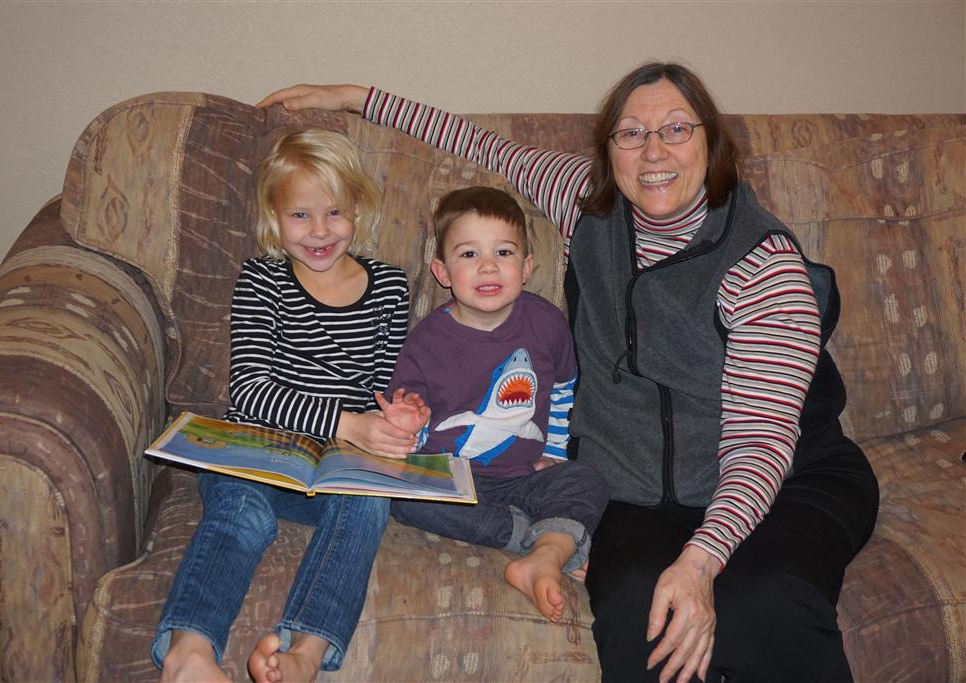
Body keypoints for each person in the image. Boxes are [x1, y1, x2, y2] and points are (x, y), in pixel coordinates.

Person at [258, 61, 879, 683]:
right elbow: (481, 144)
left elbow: (760, 443)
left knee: (766, 605)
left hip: (785, 482)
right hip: (635, 493)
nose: (653, 151)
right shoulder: (588, 205)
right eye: (631, 133)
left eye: (676, 129)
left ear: (711, 143)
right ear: (609, 150)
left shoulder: (765, 265)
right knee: (637, 615)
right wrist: (355, 96)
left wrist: (701, 561)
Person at [151, 128, 425, 683]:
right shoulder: (262, 280)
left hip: (334, 471)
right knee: (241, 514)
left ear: (358, 209)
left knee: (368, 504)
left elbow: (380, 387)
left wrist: (397, 416)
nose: (320, 231)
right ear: (274, 218)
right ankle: (189, 652)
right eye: (301, 215)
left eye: (334, 213)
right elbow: (250, 390)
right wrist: (349, 424)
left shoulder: (391, 288)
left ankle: (305, 653)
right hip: (255, 453)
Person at [384, 185, 609, 622]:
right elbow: (409, 417)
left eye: (504, 252)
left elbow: (564, 389)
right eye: (469, 254)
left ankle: (546, 549)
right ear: (442, 271)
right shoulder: (425, 342)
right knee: (403, 500)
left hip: (525, 477)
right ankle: (542, 541)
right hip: (452, 480)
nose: (488, 265)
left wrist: (554, 452)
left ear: (526, 267)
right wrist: (410, 422)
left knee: (589, 479)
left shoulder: (547, 324)